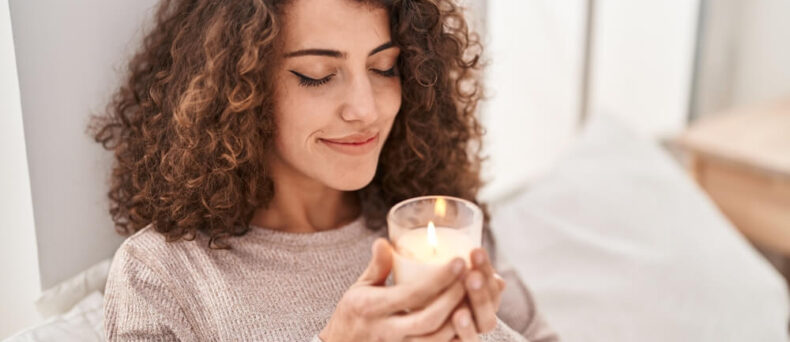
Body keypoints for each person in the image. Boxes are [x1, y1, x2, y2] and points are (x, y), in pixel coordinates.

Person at [92, 0, 559, 340]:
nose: (365, 109)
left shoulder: (436, 227)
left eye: (385, 67)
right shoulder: (163, 276)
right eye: (317, 74)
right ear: (239, 87)